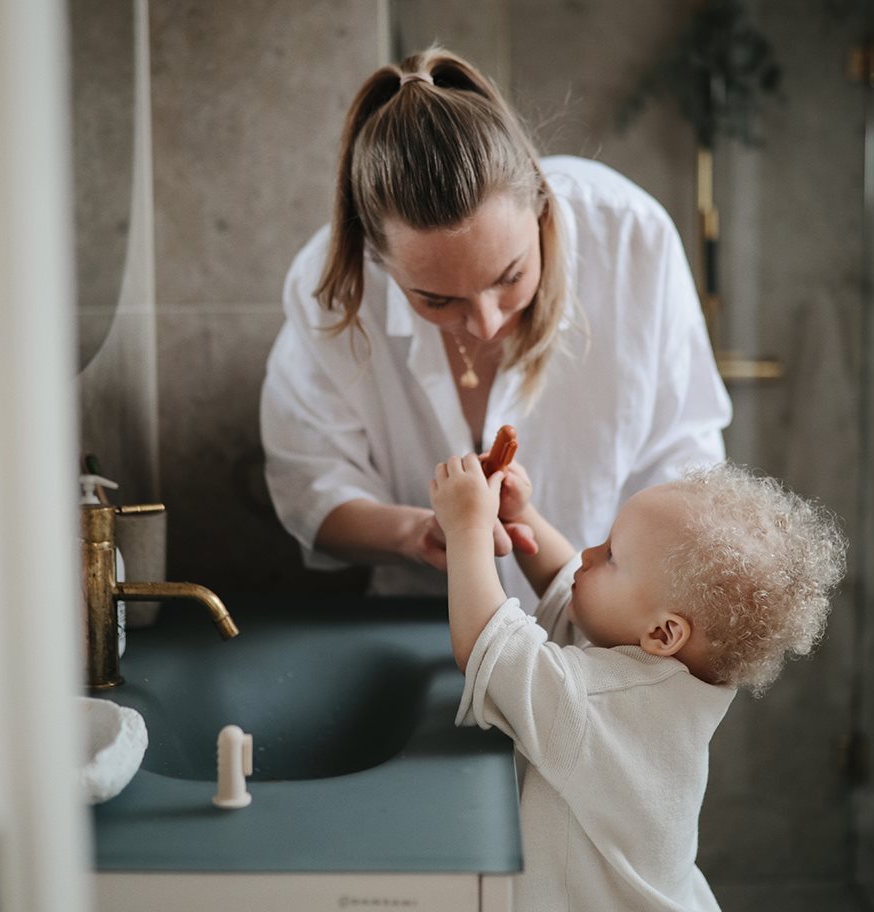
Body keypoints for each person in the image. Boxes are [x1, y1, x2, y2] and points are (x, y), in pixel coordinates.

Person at [260, 45, 732, 608]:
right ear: (379, 262)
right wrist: (420, 534)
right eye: (436, 299)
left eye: (509, 276)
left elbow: (688, 462)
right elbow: (309, 484)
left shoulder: (632, 239)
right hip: (419, 618)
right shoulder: (332, 288)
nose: (485, 324)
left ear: (541, 208)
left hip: (611, 628)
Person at [429, 452, 847, 912]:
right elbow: (570, 588)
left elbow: (490, 647)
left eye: (610, 557)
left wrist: (465, 528)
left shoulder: (599, 705)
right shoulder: (669, 680)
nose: (586, 554)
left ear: (664, 633)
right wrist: (522, 512)